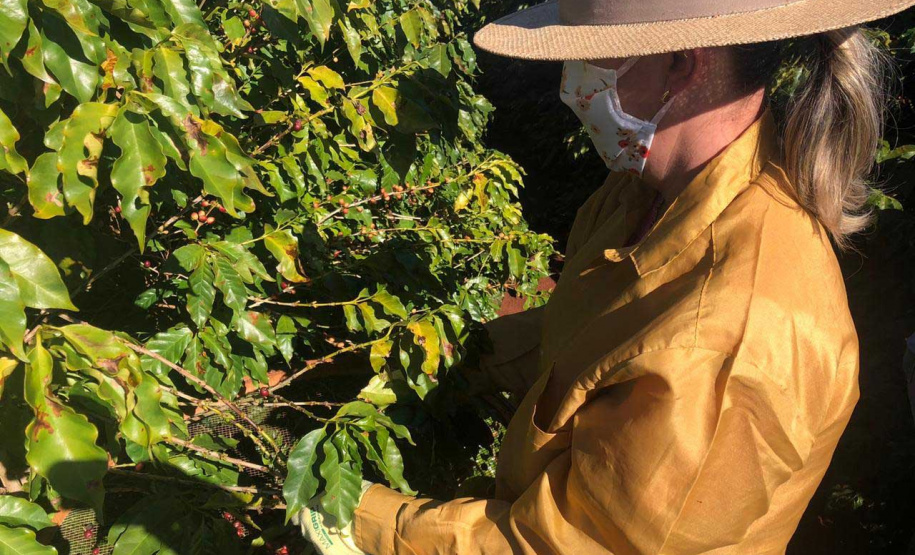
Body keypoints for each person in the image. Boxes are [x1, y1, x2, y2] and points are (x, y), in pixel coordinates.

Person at [298, 0, 912, 552]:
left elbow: (569, 544)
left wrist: (353, 517)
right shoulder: (643, 194)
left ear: (679, 63)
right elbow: (586, 335)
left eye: (591, 57)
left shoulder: (732, 334)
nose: (572, 80)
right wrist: (417, 363)